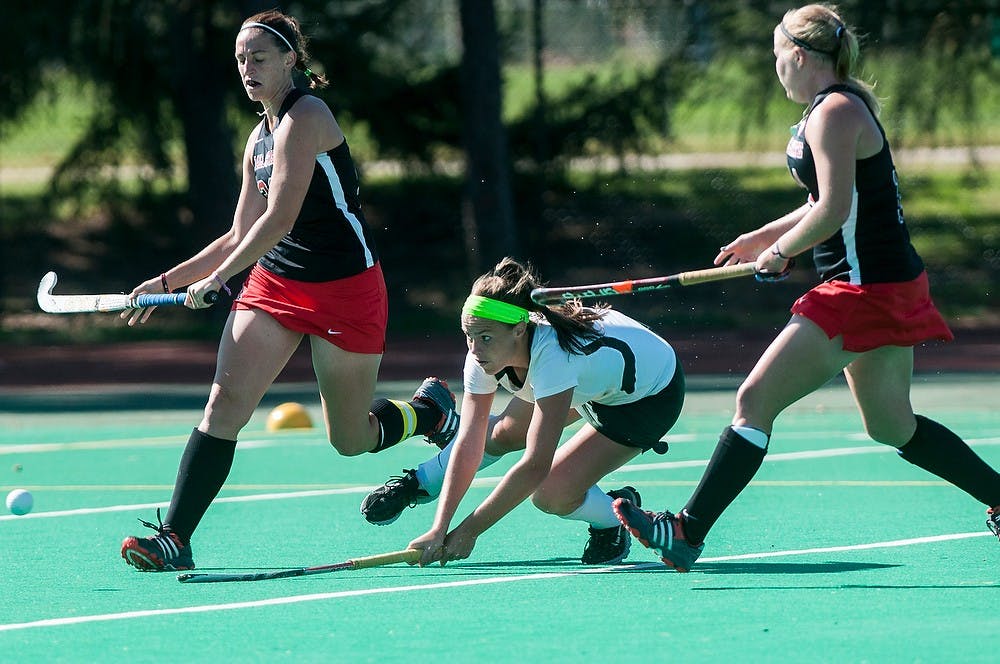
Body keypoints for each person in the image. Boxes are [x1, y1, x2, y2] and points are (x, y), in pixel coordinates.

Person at [613, 3, 1000, 572]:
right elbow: (825, 201)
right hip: (884, 283)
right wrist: (762, 236)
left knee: (753, 402)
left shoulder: (835, 113)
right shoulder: (836, 107)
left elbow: (835, 209)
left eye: (777, 56)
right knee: (892, 424)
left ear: (799, 54)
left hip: (861, 290)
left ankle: (687, 532)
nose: (776, 69)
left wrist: (782, 252)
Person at [118, 10, 459, 572]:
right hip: (274, 284)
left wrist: (218, 279)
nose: (247, 69)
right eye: (240, 60)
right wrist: (163, 283)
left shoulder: (308, 116)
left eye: (259, 57)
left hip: (347, 289)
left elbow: (279, 216)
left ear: (290, 61)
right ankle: (174, 537)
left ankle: (425, 412)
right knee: (224, 404)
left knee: (349, 440)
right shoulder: (257, 138)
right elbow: (237, 233)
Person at [367, 257, 686, 566]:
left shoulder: (554, 356)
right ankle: (423, 481)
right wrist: (440, 527)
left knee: (550, 493)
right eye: (469, 336)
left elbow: (535, 465)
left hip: (646, 398)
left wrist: (469, 531)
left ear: (519, 330)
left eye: (486, 338)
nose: (475, 350)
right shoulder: (485, 350)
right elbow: (470, 443)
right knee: (501, 434)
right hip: (592, 382)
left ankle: (615, 515)